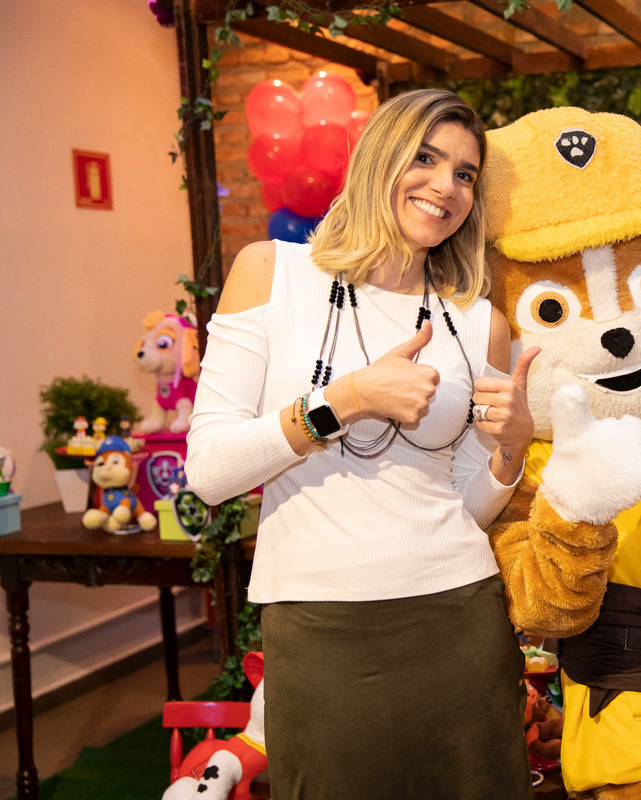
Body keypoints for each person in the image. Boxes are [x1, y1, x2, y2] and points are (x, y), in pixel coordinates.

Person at [185, 88, 538, 800]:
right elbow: (209, 472)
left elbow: (465, 505)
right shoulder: (272, 273)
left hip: (459, 616)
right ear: (380, 157)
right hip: (320, 623)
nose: (445, 186)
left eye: (465, 174)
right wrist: (343, 401)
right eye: (426, 158)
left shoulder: (479, 322)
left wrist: (511, 450)